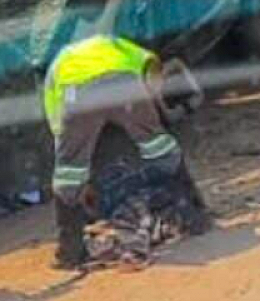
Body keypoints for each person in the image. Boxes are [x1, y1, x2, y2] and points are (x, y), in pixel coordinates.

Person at [42, 33, 205, 269]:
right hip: (125, 85)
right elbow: (152, 78)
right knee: (160, 148)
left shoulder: (59, 65)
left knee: (68, 176)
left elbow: (56, 118)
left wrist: (72, 152)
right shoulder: (120, 46)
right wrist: (150, 116)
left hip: (79, 95)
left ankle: (70, 252)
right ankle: (194, 216)